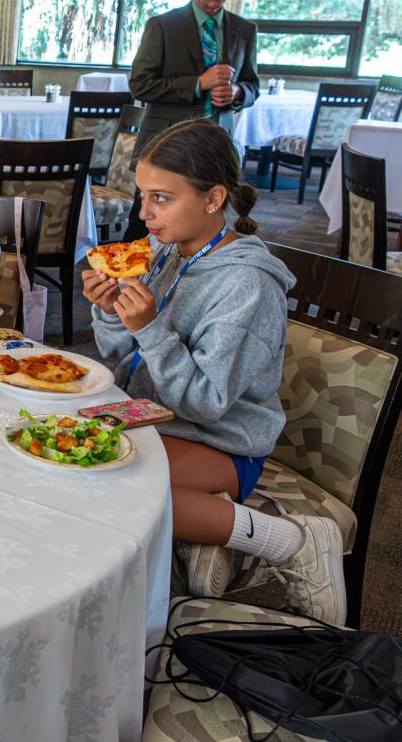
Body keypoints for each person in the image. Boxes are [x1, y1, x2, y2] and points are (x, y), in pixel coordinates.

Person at [83, 118, 346, 625]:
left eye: (161, 198)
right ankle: (201, 530)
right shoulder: (162, 255)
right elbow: (120, 359)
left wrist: (152, 328)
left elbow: (206, 402)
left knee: (106, 483)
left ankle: (294, 541)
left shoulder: (248, 285)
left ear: (212, 198)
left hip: (223, 441)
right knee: (63, 448)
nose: (144, 214)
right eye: (143, 197)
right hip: (155, 420)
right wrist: (111, 312)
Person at [124, 0, 259, 241]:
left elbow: (253, 87)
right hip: (165, 145)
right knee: (147, 229)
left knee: (208, 227)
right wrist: (199, 83)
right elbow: (140, 85)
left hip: (217, 146)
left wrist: (237, 92)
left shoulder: (244, 30)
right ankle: (129, 285)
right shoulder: (163, 26)